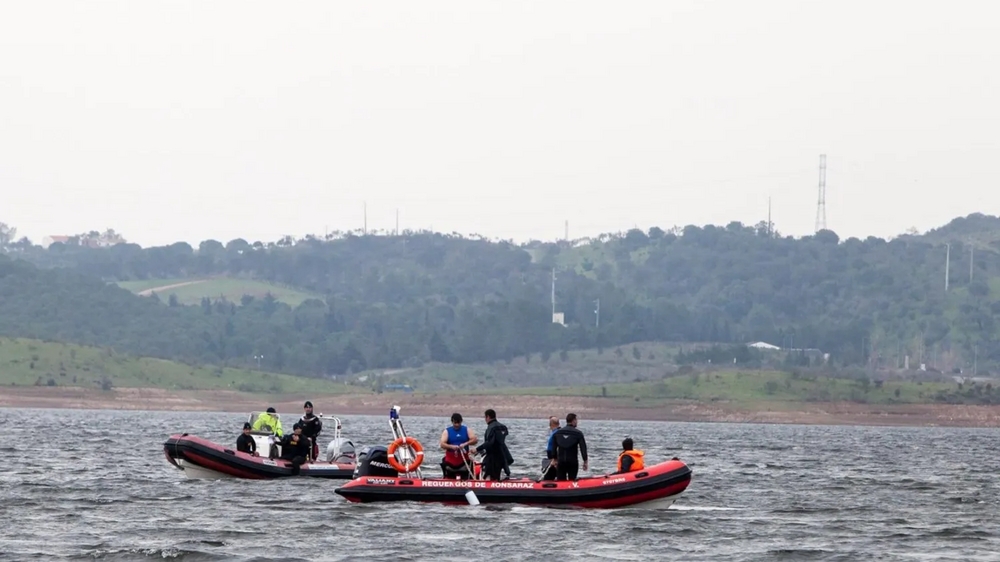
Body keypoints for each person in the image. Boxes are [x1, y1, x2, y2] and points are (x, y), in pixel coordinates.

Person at [475, 409, 513, 481]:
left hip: (492, 457)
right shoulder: (503, 427)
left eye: (485, 418)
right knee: (498, 475)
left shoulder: (491, 427)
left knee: (488, 476)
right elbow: (499, 441)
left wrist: (477, 449)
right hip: (502, 455)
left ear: (488, 417)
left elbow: (490, 442)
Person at [550, 412, 588, 481]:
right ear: (573, 421)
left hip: (561, 462)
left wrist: (554, 459)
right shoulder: (578, 433)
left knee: (561, 482)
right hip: (572, 462)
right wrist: (585, 461)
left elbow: (554, 447)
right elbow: (583, 448)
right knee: (572, 480)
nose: (577, 422)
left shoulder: (558, 433)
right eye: (576, 420)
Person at [440, 412, 478, 479]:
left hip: (464, 462)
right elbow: (442, 444)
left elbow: (474, 440)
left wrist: (465, 444)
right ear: (452, 422)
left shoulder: (466, 430)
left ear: (461, 421)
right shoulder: (447, 431)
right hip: (450, 462)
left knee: (470, 468)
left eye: (458, 423)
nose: (457, 425)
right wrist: (451, 446)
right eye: (455, 423)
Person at [541, 416, 560, 481]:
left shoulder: (557, 432)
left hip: (553, 456)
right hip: (551, 456)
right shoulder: (554, 432)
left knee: (553, 470)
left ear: (551, 424)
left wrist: (555, 458)